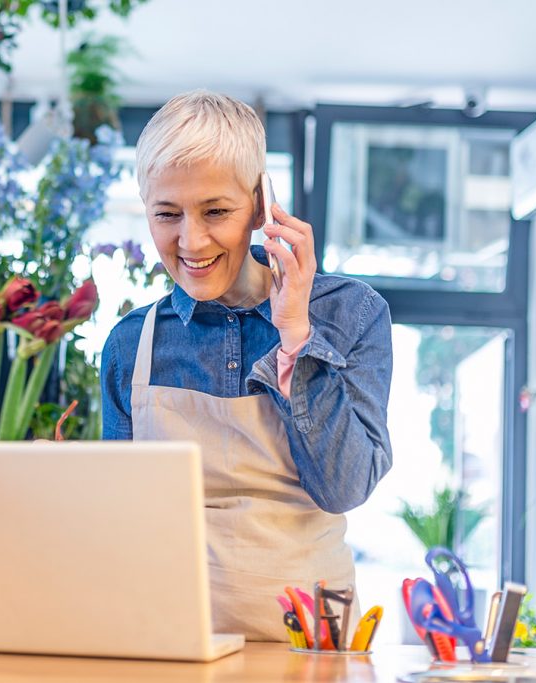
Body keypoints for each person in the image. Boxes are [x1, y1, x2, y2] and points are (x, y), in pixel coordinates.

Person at [100, 90, 393, 641]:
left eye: (216, 211)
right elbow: (124, 518)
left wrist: (295, 336)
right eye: (167, 214)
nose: (191, 240)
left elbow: (344, 487)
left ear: (262, 205)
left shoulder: (351, 314)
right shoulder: (129, 345)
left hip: (310, 645)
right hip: (170, 638)